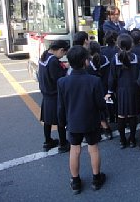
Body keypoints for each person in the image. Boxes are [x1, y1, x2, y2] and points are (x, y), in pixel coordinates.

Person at [57, 45, 106, 194]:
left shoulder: (62, 82)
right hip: (91, 120)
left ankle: (75, 181)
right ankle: (96, 179)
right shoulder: (94, 80)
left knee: (75, 149)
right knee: (93, 148)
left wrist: (63, 123)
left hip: (73, 121)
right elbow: (100, 104)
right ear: (85, 61)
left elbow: (61, 106)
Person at [107, 33, 140, 148]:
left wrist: (110, 91)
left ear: (118, 45)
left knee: (121, 116)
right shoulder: (136, 58)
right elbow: (139, 75)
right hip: (134, 89)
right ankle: (132, 139)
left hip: (120, 90)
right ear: (131, 45)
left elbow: (112, 78)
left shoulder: (115, 59)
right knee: (132, 115)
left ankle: (122, 140)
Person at [38, 40, 70, 153]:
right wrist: (66, 69)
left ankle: (47, 141)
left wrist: (62, 66)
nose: (63, 56)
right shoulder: (53, 61)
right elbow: (59, 78)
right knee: (60, 119)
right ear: (61, 50)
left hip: (46, 94)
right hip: (54, 94)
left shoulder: (45, 55)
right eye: (64, 53)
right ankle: (63, 143)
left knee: (47, 120)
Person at [87, 41, 112, 139]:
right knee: (103, 106)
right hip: (104, 87)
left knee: (94, 107)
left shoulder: (88, 63)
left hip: (92, 88)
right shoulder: (104, 59)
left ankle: (104, 127)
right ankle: (106, 127)